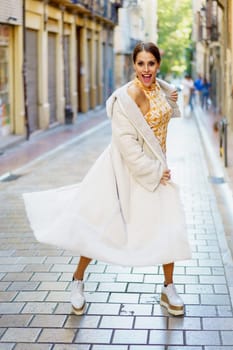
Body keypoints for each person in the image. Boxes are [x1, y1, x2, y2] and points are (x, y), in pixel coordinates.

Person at [23, 42, 191, 317]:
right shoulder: (127, 98)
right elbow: (126, 144)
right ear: (133, 66)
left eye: (151, 63)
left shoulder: (160, 89)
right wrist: (153, 170)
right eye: (141, 64)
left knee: (168, 223)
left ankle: (168, 287)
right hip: (123, 170)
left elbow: (164, 98)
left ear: (158, 64)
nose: (146, 69)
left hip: (157, 170)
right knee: (99, 224)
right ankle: (77, 281)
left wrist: (167, 89)